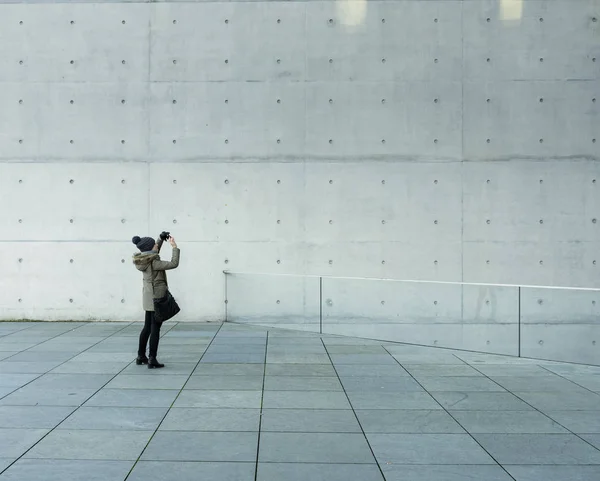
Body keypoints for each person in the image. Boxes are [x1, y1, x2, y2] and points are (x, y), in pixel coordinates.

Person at [132, 233, 180, 369]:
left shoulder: (144, 259)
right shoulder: (154, 262)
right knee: (155, 328)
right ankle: (152, 358)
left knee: (147, 327)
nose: (156, 246)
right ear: (149, 248)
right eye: (154, 244)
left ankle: (141, 356)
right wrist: (174, 247)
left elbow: (154, 250)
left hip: (147, 297)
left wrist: (160, 238)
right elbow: (173, 263)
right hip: (157, 299)